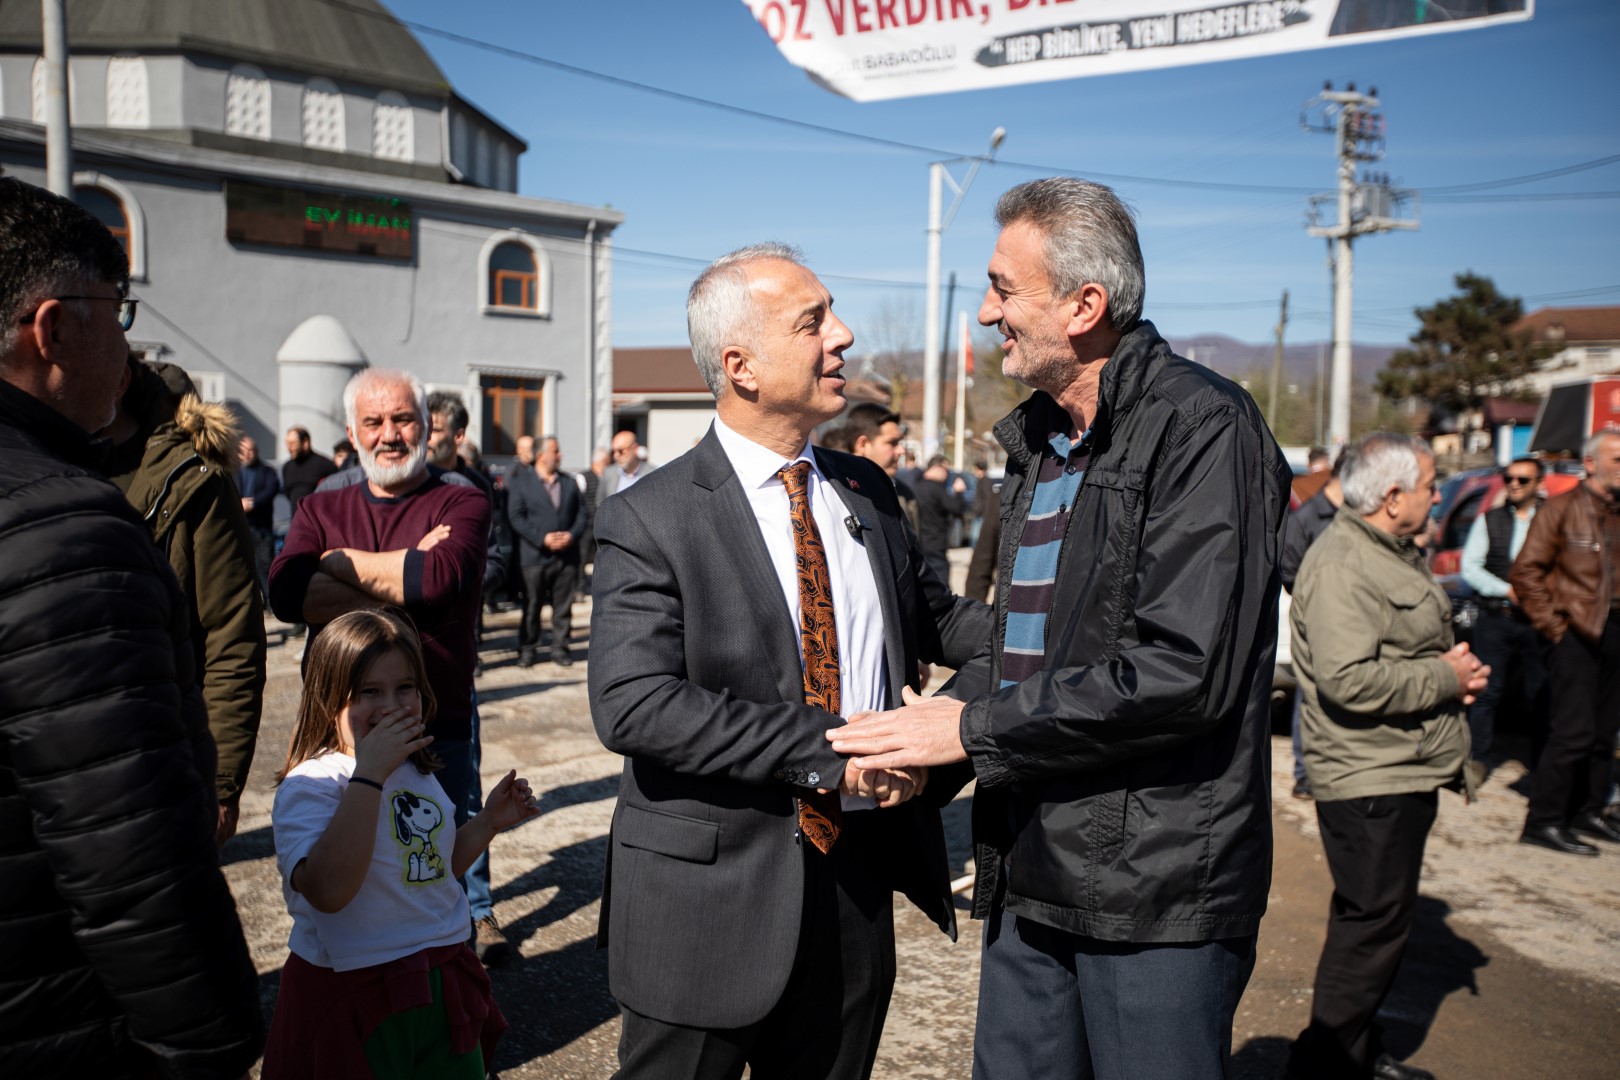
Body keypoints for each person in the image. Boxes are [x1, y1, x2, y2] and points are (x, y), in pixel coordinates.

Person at [829, 177, 1289, 1080]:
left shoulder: (1203, 427)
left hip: (1151, 894)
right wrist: (929, 741)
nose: (987, 315)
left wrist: (962, 727)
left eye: (1003, 288)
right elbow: (1032, 646)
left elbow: (1180, 672)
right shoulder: (1044, 443)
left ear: (1085, 304)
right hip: (1032, 862)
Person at [589, 242, 992, 1080]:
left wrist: (1063, 634)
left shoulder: (868, 491)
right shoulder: (650, 517)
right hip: (704, 906)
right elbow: (633, 704)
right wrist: (834, 753)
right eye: (814, 321)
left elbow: (938, 621)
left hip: (853, 886)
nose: (842, 336)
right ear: (740, 365)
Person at [0, 175, 263, 1076]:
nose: (127, 342)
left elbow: (231, 636)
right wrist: (213, 1042)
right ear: (53, 328)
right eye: (118, 312)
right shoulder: (63, 525)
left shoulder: (181, 480)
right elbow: (131, 866)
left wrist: (221, 779)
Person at [267, 369, 514, 965]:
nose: (389, 435)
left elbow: (438, 579)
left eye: (403, 419)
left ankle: (446, 994)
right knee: (347, 870)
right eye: (373, 422)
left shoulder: (464, 498)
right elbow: (283, 593)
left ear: (427, 427)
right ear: (352, 432)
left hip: (434, 723)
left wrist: (337, 563)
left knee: (435, 870)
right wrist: (400, 579)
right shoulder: (321, 501)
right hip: (339, 733)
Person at [1285, 433, 1486, 1080]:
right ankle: (1323, 1066)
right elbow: (1349, 680)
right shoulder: (1345, 562)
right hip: (1369, 777)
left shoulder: (1385, 551)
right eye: (1430, 486)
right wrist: (1445, 679)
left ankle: (1355, 1053)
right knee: (1368, 934)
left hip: (1395, 766)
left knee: (1372, 927)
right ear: (1393, 496)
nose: (1437, 497)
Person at [264, 608, 536, 1079]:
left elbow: (433, 867)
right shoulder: (313, 784)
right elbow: (327, 892)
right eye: (370, 691)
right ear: (330, 696)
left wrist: (488, 822)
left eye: (404, 688)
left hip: (442, 980)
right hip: (356, 990)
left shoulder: (417, 771)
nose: (392, 705)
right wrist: (369, 775)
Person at [104, 358, 267, 846]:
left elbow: (232, 637)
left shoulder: (194, 481)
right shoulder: (40, 456)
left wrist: (221, 785)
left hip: (157, 755)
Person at [1511, 429, 1620, 855]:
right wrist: (1555, 628)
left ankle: (1587, 812)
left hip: (1614, 632)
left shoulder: (1616, 510)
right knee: (1572, 731)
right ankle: (1544, 820)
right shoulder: (1561, 509)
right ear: (1591, 463)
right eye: (1617, 457)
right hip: (1574, 632)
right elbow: (1526, 573)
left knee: (1604, 732)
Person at [1460, 456, 1549, 779]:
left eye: (1522, 480)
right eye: (1509, 478)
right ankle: (1478, 758)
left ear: (1539, 484)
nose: (1513, 484)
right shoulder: (1491, 519)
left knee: (1541, 693)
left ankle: (1542, 766)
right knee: (1487, 689)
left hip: (1538, 620)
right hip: (1497, 616)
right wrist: (1507, 591)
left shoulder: (1552, 520)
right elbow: (1470, 566)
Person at [1281, 450, 1347, 799]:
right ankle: (1304, 774)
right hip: (1316, 622)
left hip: (1350, 624)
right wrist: (1318, 600)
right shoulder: (1307, 517)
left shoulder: (1356, 517)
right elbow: (1288, 569)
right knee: (1310, 698)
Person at [507, 434, 585, 666]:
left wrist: (571, 535)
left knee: (563, 607)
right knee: (532, 606)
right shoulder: (522, 482)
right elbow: (515, 517)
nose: (560, 455)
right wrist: (543, 539)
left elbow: (582, 514)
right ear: (541, 455)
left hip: (566, 557)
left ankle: (560, 649)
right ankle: (528, 649)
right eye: (556, 451)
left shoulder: (569, 482)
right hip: (534, 557)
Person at [840, 402, 920, 534]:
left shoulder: (904, 494)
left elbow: (915, 550)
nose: (901, 450)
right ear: (863, 444)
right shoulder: (833, 487)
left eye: (899, 443)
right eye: (892, 443)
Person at [912, 454, 968, 587]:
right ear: (937, 468)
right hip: (936, 542)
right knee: (941, 583)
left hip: (917, 541)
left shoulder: (915, 487)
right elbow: (957, 508)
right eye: (946, 470)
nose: (948, 475)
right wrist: (959, 492)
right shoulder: (938, 490)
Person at [239, 434, 281, 599]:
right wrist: (238, 503)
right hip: (241, 525)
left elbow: (271, 490)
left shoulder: (267, 471)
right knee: (243, 566)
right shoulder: (233, 471)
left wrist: (253, 503)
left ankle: (273, 601)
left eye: (251, 450)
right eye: (245, 450)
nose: (248, 454)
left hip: (261, 527)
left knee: (265, 564)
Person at [283, 424, 338, 516]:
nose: (289, 447)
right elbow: (288, 494)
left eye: (293, 443)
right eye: (287, 444)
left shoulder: (325, 465)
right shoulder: (287, 467)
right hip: (297, 522)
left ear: (305, 442)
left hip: (320, 521)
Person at [597, 428, 655, 503]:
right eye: (613, 452)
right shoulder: (608, 473)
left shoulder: (652, 473)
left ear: (635, 449)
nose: (616, 456)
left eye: (621, 451)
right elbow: (600, 502)